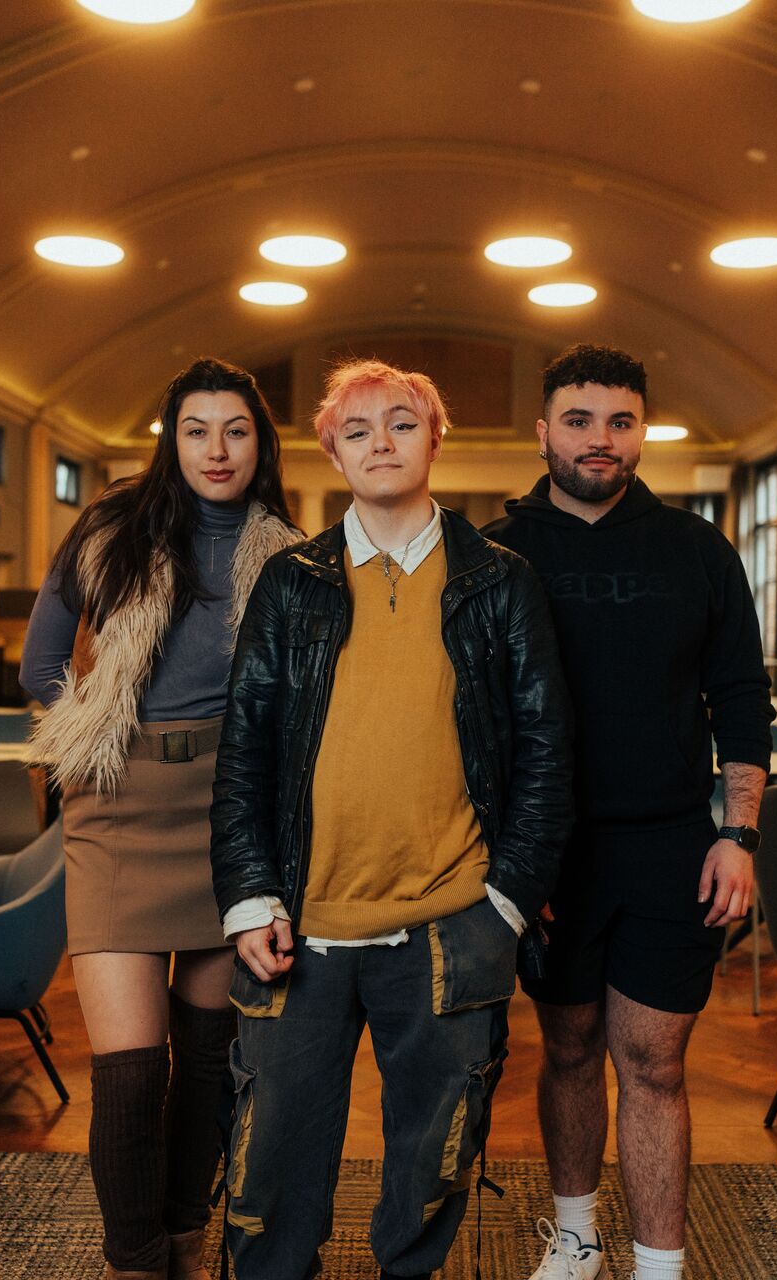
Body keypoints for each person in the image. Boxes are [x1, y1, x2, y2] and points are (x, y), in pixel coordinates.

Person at [209, 358, 573, 1280]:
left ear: (434, 439)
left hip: (450, 925)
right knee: (273, 1166)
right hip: (302, 926)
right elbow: (244, 752)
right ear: (332, 450)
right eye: (359, 429)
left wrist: (503, 904)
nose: (381, 442)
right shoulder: (290, 584)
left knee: (430, 1160)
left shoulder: (500, 580)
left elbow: (543, 754)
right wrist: (250, 896)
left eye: (401, 423)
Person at [483, 344, 773, 1280]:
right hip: (548, 851)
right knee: (566, 1047)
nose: (598, 440)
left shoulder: (697, 549)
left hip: (670, 848)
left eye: (619, 420)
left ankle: (659, 1265)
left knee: (652, 1060)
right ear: (543, 433)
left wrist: (738, 834)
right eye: (578, 419)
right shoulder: (498, 551)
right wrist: (500, 853)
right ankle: (574, 1239)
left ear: (642, 431)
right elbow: (470, 712)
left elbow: (739, 699)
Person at [20, 357, 302, 1280]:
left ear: (259, 444)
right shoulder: (110, 526)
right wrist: (96, 722)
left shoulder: (291, 551)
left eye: (234, 430)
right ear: (169, 439)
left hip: (231, 812)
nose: (215, 450)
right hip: (116, 805)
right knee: (131, 1075)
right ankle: (135, 1261)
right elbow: (40, 665)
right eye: (195, 430)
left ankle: (186, 1233)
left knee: (211, 1059)